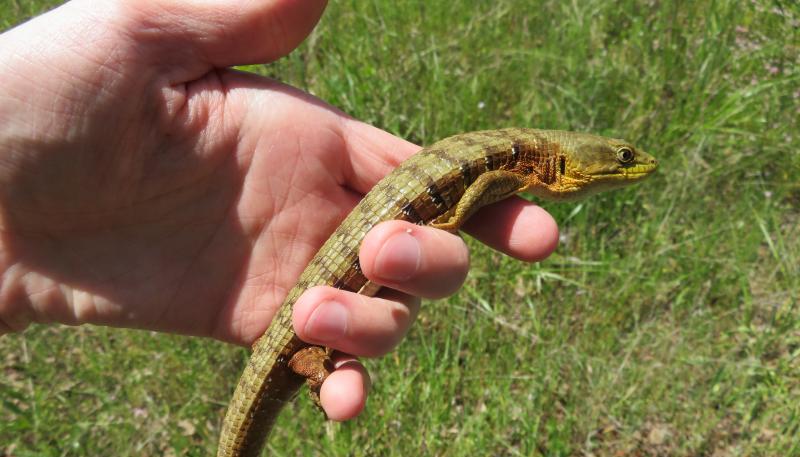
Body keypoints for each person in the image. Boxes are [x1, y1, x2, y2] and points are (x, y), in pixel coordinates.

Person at [0, 0, 559, 421]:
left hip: (317, 299)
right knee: (322, 328)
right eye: (624, 159)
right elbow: (481, 191)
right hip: (318, 298)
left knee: (326, 325)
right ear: (561, 163)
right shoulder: (521, 166)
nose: (635, 166)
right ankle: (308, 363)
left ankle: (309, 363)